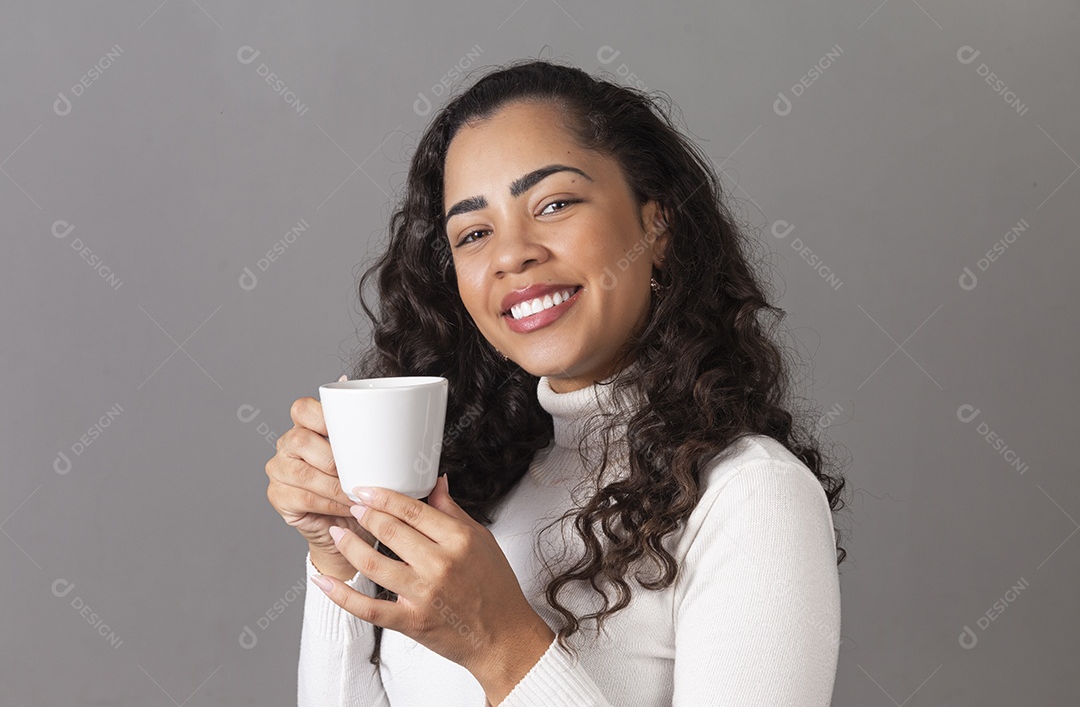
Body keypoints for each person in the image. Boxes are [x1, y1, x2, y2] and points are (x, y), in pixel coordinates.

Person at [265, 58, 848, 706]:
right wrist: (340, 552)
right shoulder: (473, 485)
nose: (512, 254)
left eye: (555, 204)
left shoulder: (751, 493)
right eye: (474, 233)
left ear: (657, 226)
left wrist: (500, 646)